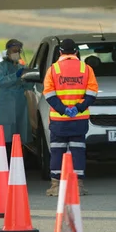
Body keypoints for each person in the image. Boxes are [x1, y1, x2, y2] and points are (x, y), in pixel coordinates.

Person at [42, 38, 98, 196]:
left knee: (57, 151)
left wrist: (63, 109)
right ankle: (78, 186)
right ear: (76, 52)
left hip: (59, 120)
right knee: (78, 150)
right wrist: (78, 108)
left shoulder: (53, 69)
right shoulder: (86, 69)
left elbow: (48, 93)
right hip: (79, 120)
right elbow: (92, 93)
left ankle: (55, 186)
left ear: (60, 52)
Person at [0, 39, 34, 163]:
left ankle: (18, 161)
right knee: (5, 133)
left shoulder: (22, 67)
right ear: (8, 51)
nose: (16, 53)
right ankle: (4, 161)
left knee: (19, 132)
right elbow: (0, 83)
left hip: (20, 103)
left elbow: (28, 87)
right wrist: (15, 75)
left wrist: (30, 76)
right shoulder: (0, 67)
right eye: (14, 50)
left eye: (18, 51)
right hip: (5, 103)